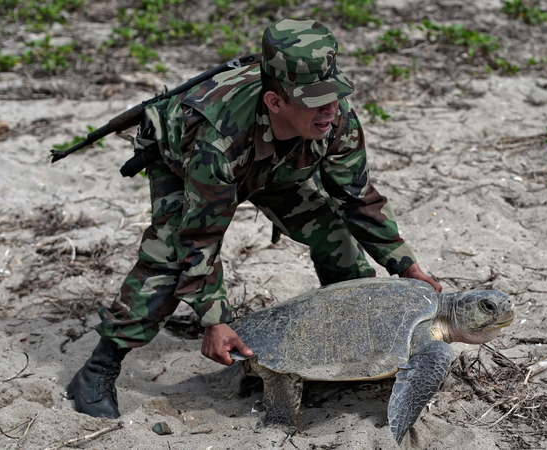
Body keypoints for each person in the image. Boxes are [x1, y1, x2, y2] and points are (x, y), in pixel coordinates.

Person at [66, 18, 441, 419]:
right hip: (188, 166)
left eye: (335, 94)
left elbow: (357, 199)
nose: (331, 108)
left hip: (277, 163)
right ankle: (97, 369)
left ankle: (355, 339)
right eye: (316, 100)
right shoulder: (217, 142)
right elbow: (201, 237)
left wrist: (406, 264)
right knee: (169, 260)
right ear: (276, 102)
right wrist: (215, 320)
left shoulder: (334, 119)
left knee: (332, 229)